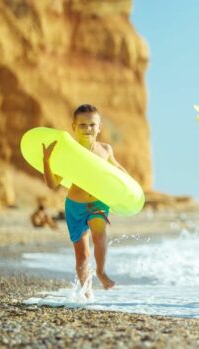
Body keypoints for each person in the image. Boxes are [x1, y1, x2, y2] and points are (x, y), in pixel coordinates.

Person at [42, 104, 122, 297]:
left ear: (99, 127)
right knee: (82, 256)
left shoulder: (105, 150)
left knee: (99, 235)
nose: (88, 129)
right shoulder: (69, 154)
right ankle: (86, 293)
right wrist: (47, 162)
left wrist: (130, 189)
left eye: (92, 125)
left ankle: (101, 272)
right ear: (74, 127)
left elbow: (120, 172)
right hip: (75, 206)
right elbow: (53, 184)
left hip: (98, 203)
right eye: (83, 125)